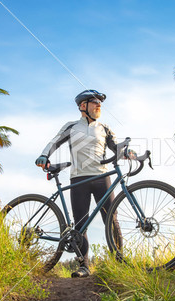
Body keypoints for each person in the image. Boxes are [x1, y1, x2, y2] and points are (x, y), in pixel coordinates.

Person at [35, 89, 119, 278]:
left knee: (111, 221)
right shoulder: (72, 126)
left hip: (101, 177)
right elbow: (54, 142)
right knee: (80, 225)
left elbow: (116, 147)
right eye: (94, 101)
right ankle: (84, 266)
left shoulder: (104, 128)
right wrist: (44, 155)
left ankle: (119, 261)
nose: (99, 105)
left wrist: (128, 152)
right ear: (83, 106)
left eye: (100, 103)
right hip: (78, 179)